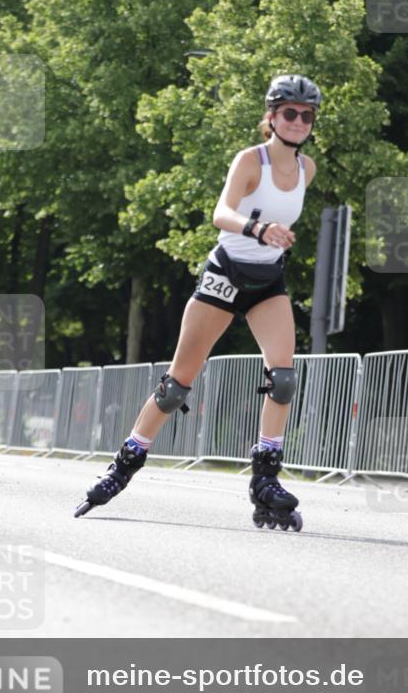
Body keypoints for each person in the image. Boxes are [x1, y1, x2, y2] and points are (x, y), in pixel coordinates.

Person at [74, 74, 320, 530]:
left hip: (267, 281)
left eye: (307, 115)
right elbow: (221, 213)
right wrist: (259, 230)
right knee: (177, 386)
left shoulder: (307, 170)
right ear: (271, 117)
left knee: (283, 378)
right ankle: (124, 463)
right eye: (290, 112)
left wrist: (279, 237)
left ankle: (265, 479)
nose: (299, 121)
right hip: (225, 276)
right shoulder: (252, 160)